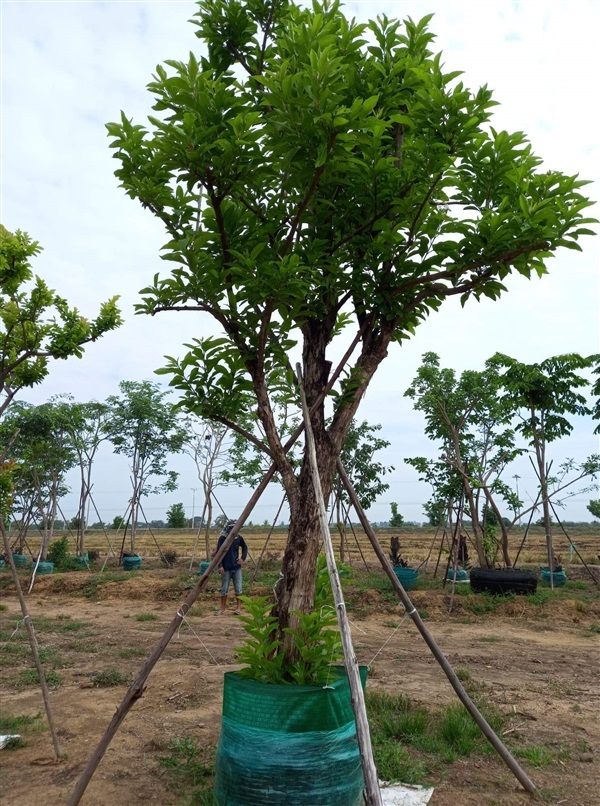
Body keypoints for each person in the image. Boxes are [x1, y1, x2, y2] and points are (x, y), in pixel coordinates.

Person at [216, 519, 248, 615]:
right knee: (224, 589)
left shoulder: (239, 538)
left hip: (236, 567)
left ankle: (238, 608)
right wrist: (220, 566)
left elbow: (245, 548)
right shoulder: (223, 538)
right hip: (226, 567)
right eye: (233, 528)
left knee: (238, 588)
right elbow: (219, 553)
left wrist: (242, 558)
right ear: (229, 528)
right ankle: (222, 608)